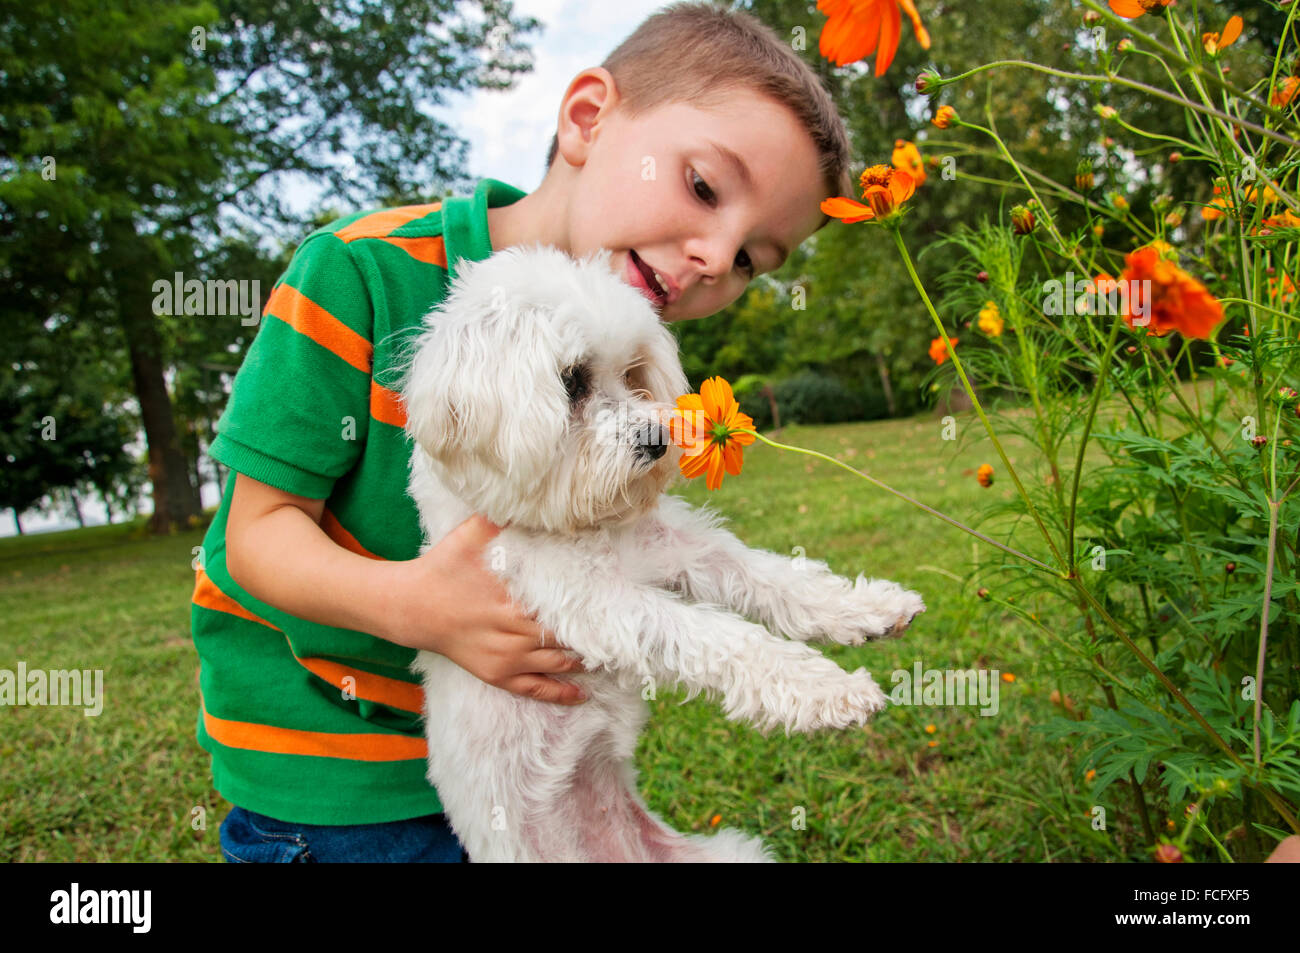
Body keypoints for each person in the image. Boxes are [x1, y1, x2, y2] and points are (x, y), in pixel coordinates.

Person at [192, 0, 853, 863]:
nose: (711, 257)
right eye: (702, 187)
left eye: (748, 260)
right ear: (587, 119)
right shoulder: (357, 274)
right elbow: (255, 538)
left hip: (531, 775)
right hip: (340, 783)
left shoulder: (626, 353)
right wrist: (422, 608)